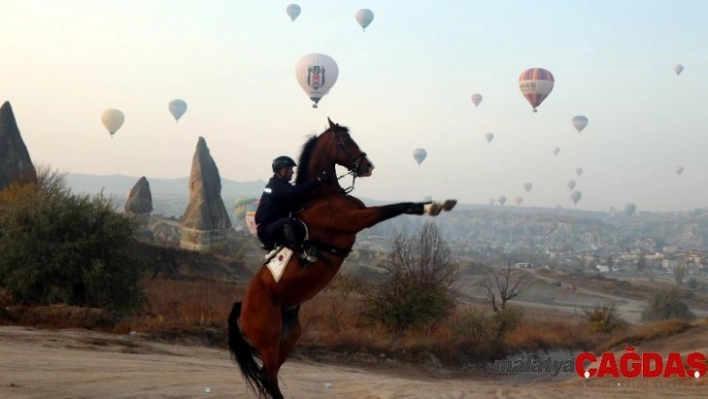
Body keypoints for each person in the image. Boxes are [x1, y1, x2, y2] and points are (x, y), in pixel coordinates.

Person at [255, 155, 328, 263]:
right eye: (291, 169)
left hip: (275, 226)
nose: (293, 173)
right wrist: (317, 180)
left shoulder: (282, 185)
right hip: (266, 230)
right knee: (288, 222)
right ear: (283, 170)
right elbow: (295, 192)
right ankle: (298, 254)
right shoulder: (276, 185)